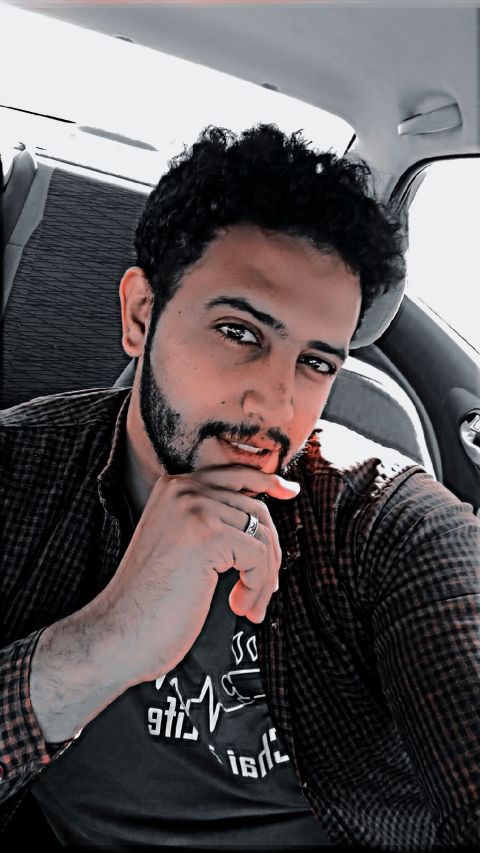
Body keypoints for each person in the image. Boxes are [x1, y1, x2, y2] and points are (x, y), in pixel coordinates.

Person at [0, 125, 478, 851]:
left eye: (316, 363)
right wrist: (105, 640)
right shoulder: (18, 471)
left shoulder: (384, 522)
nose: (275, 403)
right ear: (141, 315)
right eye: (240, 332)